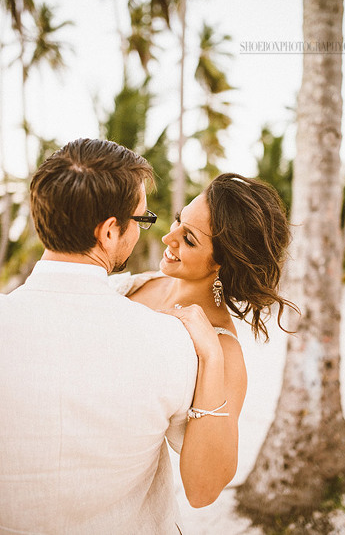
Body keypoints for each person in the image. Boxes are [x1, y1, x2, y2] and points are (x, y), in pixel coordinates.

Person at [0, 138, 201, 533]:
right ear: (109, 231)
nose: (146, 233)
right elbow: (199, 468)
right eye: (142, 220)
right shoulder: (168, 342)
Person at [110, 172, 295, 503]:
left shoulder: (222, 348)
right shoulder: (145, 282)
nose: (169, 238)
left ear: (222, 264)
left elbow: (203, 491)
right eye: (179, 220)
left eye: (189, 239)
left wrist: (210, 357)